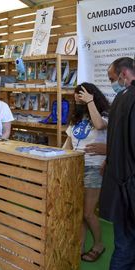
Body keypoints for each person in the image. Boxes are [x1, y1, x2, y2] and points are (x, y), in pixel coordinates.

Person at [63, 83, 109, 262]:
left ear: (90, 95)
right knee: (80, 211)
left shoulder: (104, 114)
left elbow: (98, 125)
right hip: (75, 167)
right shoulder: (76, 117)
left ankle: (99, 244)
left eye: (81, 96)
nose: (78, 100)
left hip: (93, 167)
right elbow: (68, 143)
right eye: (76, 98)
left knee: (88, 212)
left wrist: (90, 102)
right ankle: (80, 244)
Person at [100, 57, 135, 269]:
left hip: (122, 183)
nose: (113, 82)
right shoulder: (127, 99)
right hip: (129, 184)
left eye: (112, 78)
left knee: (124, 244)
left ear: (123, 74)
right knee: (126, 248)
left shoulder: (121, 100)